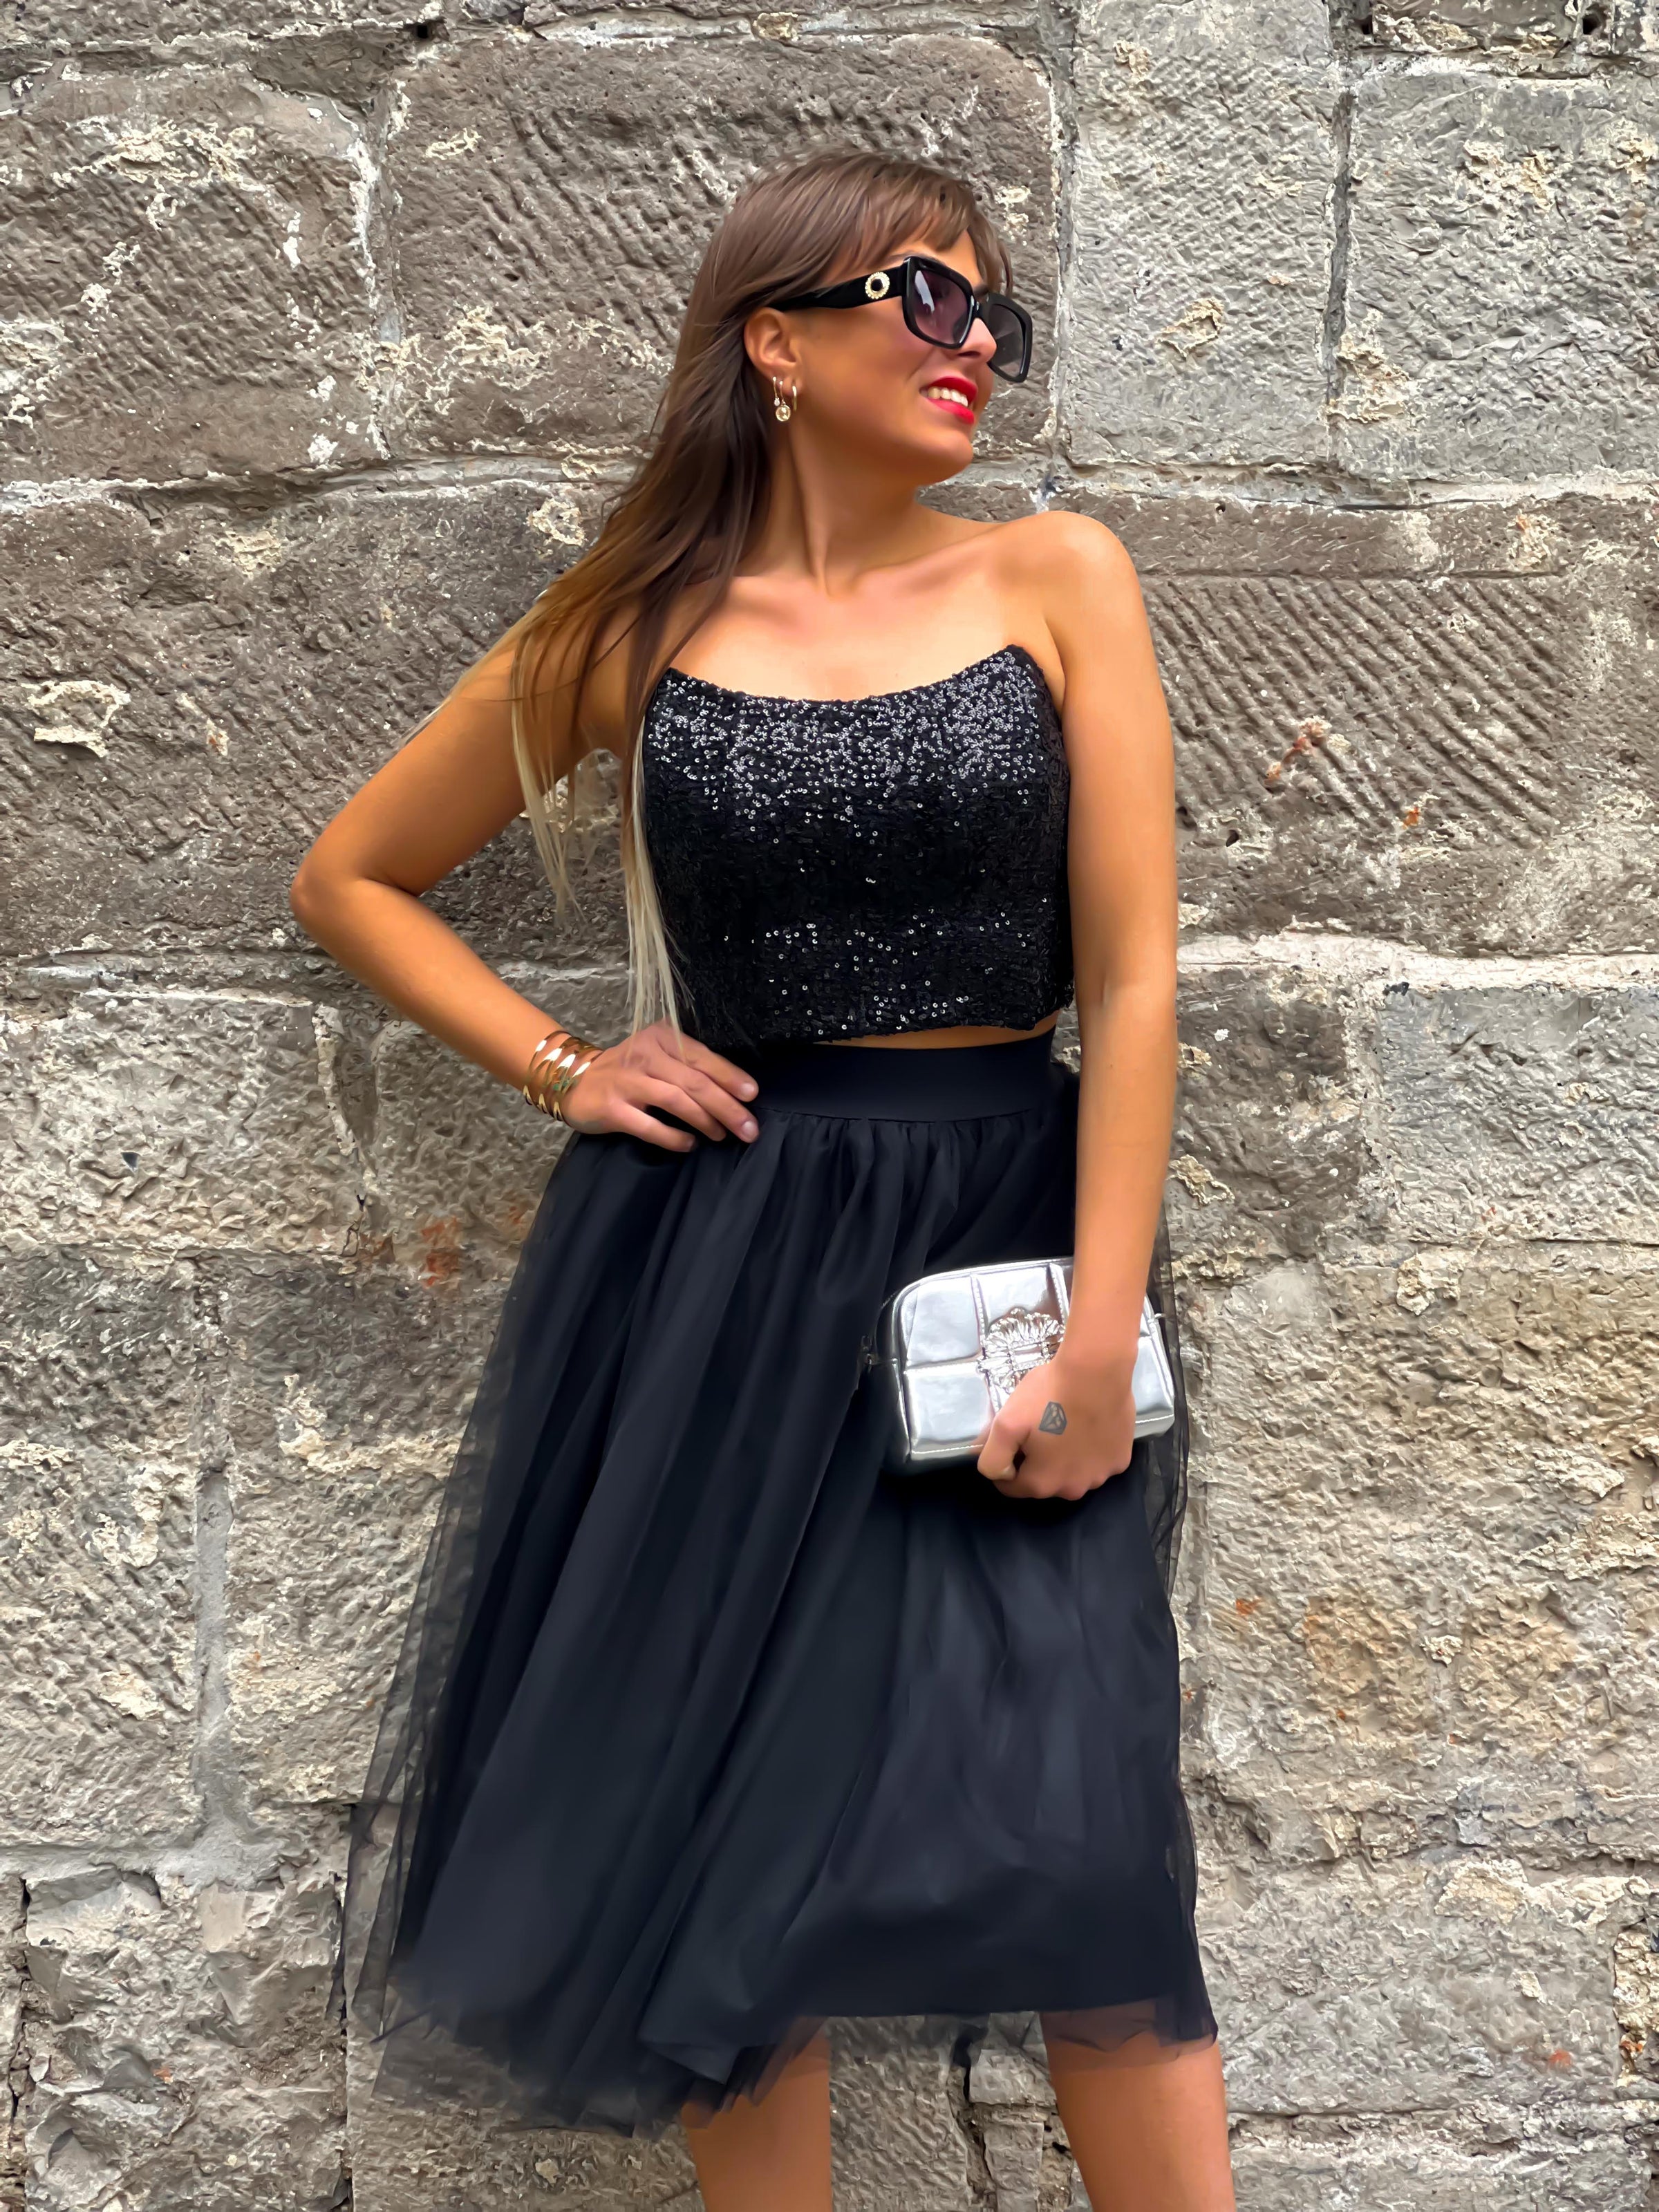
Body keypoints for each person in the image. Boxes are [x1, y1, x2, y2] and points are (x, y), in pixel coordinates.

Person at [294, 146, 1236, 2212]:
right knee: (724, 1841)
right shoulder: (639, 628)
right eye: (925, 296)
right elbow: (351, 876)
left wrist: (1103, 1332)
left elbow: (1136, 980)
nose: (973, 342)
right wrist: (567, 1065)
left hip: (1000, 1240)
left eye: (995, 312)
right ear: (777, 340)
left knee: (1086, 1847)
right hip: (718, 1257)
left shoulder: (1058, 574)